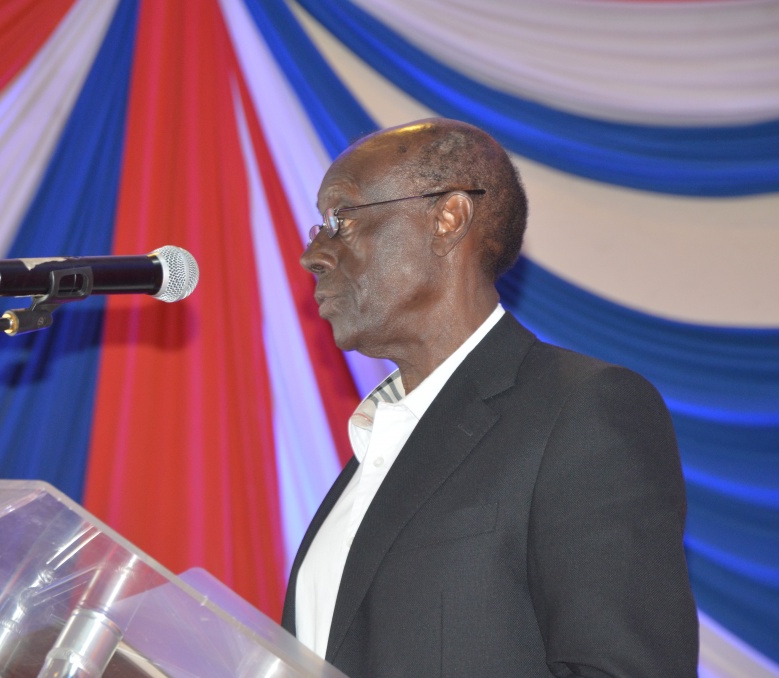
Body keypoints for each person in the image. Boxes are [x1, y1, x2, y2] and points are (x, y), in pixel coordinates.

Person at [283, 118, 699, 677]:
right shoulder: (376, 446)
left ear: (448, 219)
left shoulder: (580, 410)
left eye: (342, 218)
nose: (313, 255)